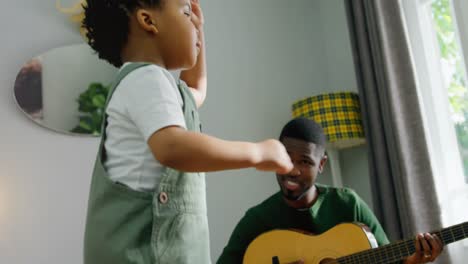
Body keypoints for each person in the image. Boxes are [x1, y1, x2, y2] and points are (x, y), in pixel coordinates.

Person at [81, 0, 293, 263]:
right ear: (148, 21)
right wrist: (258, 152)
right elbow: (173, 147)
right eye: (185, 13)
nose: (193, 23)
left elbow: (196, 90)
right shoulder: (147, 78)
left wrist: (199, 28)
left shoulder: (155, 85)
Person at [217, 117, 444, 264]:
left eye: (305, 162)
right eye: (286, 157)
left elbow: (389, 259)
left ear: (322, 164)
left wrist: (416, 259)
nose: (292, 170)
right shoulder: (257, 219)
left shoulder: (348, 204)